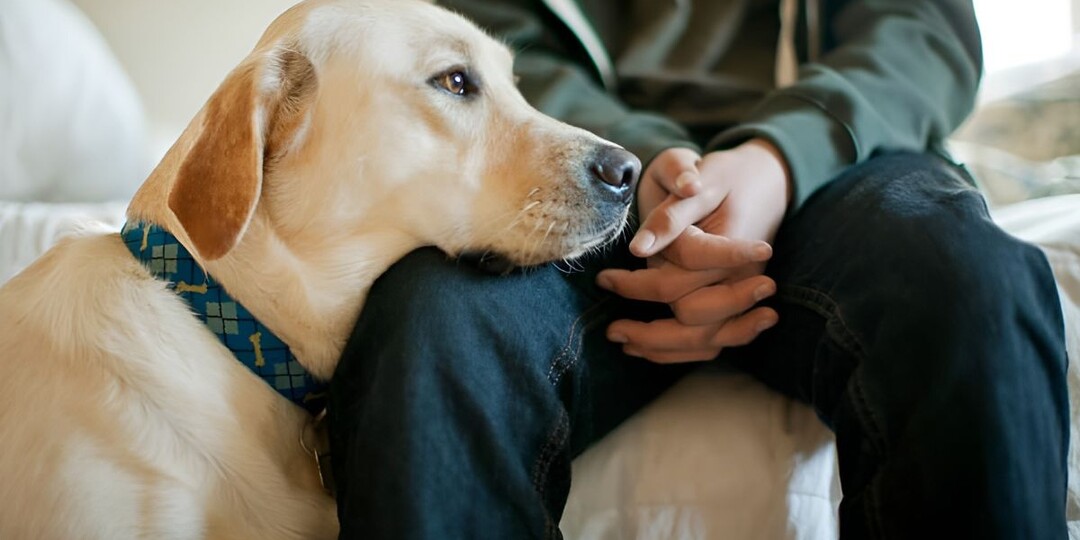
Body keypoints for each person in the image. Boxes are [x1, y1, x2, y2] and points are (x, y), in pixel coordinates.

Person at [326, 0, 1069, 538]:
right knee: (430, 324)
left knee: (971, 284)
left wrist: (780, 156)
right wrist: (649, 167)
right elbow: (498, 40)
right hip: (590, 167)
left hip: (834, 161)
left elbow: (924, 31)